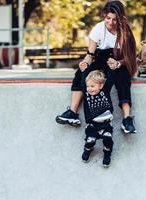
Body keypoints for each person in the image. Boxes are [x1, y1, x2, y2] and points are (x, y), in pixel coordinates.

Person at [56, 0, 138, 134]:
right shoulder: (99, 28)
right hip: (101, 60)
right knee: (80, 73)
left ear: (121, 19)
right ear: (104, 16)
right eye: (108, 18)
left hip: (118, 63)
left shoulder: (126, 32)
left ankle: (127, 119)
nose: (110, 23)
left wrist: (118, 63)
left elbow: (130, 58)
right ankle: (72, 113)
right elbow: (90, 54)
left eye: (115, 20)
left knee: (123, 78)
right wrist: (85, 63)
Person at [81, 69, 115, 167]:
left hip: (106, 124)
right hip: (93, 125)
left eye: (92, 86)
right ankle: (87, 149)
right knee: (90, 140)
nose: (89, 89)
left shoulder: (105, 90)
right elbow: (83, 81)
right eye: (88, 86)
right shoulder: (86, 93)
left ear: (100, 86)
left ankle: (107, 154)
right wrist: (84, 71)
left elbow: (110, 79)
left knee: (108, 139)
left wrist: (112, 69)